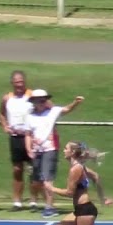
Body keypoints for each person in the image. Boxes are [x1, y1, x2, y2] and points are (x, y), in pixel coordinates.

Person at [24, 89, 85, 217]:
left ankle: (49, 206)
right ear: (33, 102)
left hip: (49, 149)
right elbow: (28, 134)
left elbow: (66, 110)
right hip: (36, 151)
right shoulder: (29, 116)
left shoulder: (52, 112)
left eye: (43, 100)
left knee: (47, 179)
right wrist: (29, 149)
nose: (41, 102)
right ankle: (47, 202)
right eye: (38, 100)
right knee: (37, 180)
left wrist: (75, 103)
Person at [0, 69, 39, 211]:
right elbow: (2, 114)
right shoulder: (7, 98)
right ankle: (17, 202)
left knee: (34, 169)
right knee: (17, 169)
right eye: (16, 82)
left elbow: (46, 108)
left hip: (30, 137)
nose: (19, 85)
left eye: (21, 82)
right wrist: (5, 126)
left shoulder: (32, 95)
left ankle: (34, 201)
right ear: (12, 83)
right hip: (15, 137)